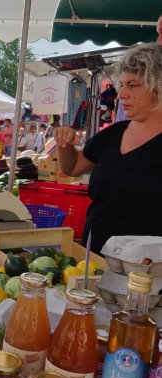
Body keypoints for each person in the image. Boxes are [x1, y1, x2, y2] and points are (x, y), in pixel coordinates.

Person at [55, 43, 162, 255]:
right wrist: (64, 145)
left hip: (145, 275)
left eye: (133, 85)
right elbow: (73, 167)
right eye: (122, 85)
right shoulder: (113, 134)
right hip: (93, 262)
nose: (121, 95)